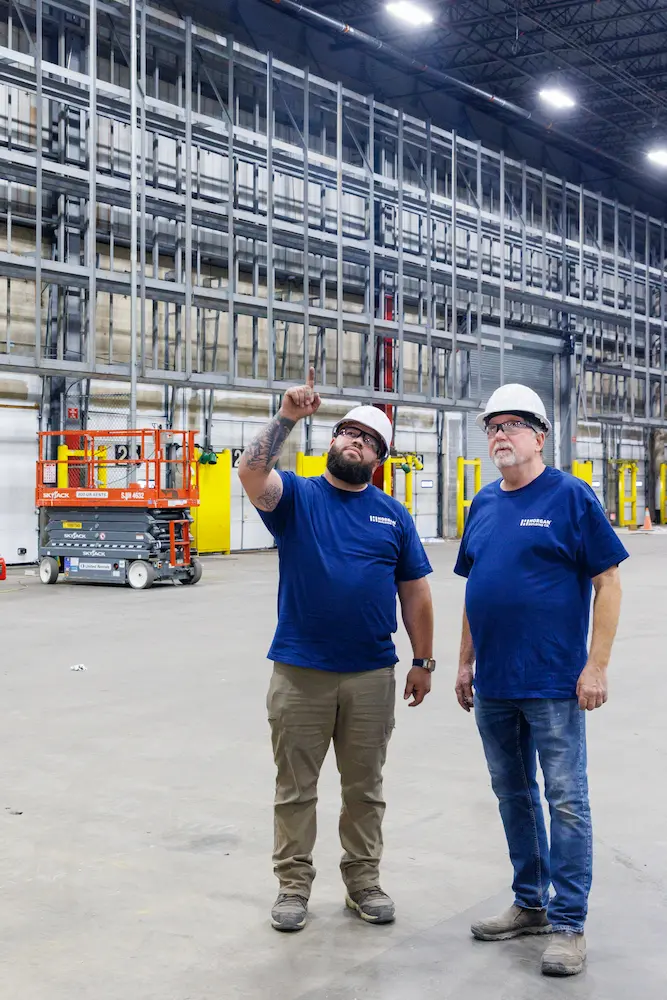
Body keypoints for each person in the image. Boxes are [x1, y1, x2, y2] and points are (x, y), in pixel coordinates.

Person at [239, 369, 435, 933]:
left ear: (379, 459)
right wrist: (286, 418)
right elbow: (251, 472)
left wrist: (423, 660)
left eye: (371, 441)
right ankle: (293, 886)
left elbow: (416, 590)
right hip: (301, 672)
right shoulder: (297, 496)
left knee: (365, 788)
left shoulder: (393, 515)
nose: (358, 443)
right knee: (295, 787)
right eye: (350, 433)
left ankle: (363, 881)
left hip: (373, 674)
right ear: (333, 440)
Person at [454, 383, 628, 978]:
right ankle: (529, 903)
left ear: (540, 435)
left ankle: (568, 922)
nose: (499, 434)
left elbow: (609, 583)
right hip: (495, 683)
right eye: (492, 425)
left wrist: (596, 664)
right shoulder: (482, 504)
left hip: (555, 682)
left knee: (566, 801)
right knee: (514, 797)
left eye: (512, 424)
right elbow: (476, 591)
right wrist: (463, 661)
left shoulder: (571, 496)